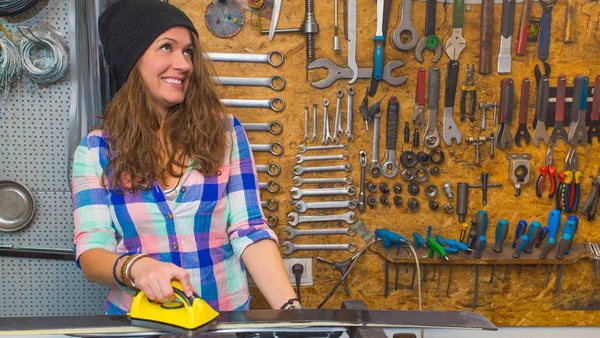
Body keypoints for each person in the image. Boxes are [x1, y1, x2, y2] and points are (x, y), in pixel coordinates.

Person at [72, 0, 300, 314]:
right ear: (131, 59)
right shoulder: (96, 151)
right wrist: (137, 268)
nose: (184, 64)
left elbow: (249, 229)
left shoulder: (225, 133)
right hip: (139, 324)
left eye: (188, 51)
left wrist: (292, 312)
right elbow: (92, 253)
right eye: (166, 47)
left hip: (223, 318)